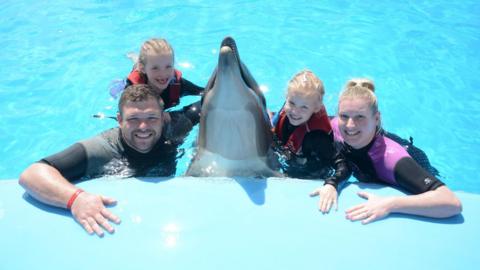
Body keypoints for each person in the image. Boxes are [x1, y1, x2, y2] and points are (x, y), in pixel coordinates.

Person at [19, 84, 187, 237]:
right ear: (120, 121)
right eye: (133, 119)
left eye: (152, 117)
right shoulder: (103, 148)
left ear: (163, 118)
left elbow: (207, 105)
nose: (143, 126)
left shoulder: (174, 131)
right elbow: (32, 174)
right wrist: (75, 199)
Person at [313, 83, 462, 224]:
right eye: (344, 116)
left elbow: (451, 203)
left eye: (360, 117)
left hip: (414, 161)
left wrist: (390, 204)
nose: (350, 125)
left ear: (376, 118)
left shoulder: (390, 158)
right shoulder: (334, 127)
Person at [271, 70, 350, 213]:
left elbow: (344, 166)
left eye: (304, 107)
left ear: (316, 108)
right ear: (287, 97)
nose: (294, 111)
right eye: (292, 103)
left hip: (308, 173)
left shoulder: (316, 137)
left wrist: (331, 184)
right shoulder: (289, 107)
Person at [111, 38, 204, 124]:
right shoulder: (132, 88)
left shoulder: (177, 83)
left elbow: (204, 92)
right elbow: (124, 116)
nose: (163, 74)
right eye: (155, 68)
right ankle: (134, 58)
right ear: (143, 68)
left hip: (145, 66)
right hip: (141, 71)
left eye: (168, 66)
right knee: (138, 65)